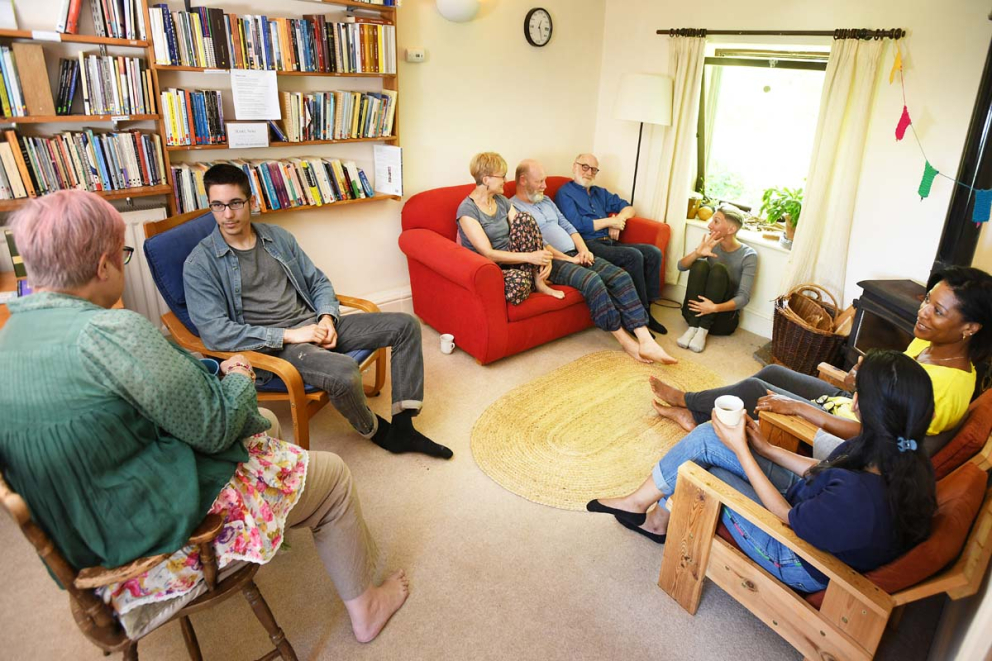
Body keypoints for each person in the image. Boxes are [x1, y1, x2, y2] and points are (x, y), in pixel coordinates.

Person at [0, 190, 408, 643]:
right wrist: (237, 373)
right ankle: (366, 607)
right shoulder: (113, 331)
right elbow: (215, 428)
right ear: (102, 265)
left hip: (82, 535)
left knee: (266, 427)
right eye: (122, 255)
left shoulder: (10, 337)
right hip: (149, 547)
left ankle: (278, 526)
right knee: (332, 475)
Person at [588, 350, 938, 594]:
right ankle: (645, 509)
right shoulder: (900, 448)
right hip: (812, 506)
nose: (853, 398)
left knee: (703, 469)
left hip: (796, 557)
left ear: (868, 405)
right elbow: (823, 470)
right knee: (710, 437)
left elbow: (787, 517)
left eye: (858, 392)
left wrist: (741, 449)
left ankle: (652, 515)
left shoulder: (859, 500)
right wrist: (765, 449)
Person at [184, 164, 452, 460]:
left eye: (235, 203)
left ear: (252, 202)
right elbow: (215, 333)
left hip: (313, 323)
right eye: (217, 205)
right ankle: (378, 431)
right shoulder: (200, 263)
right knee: (344, 372)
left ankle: (404, 424)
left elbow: (318, 281)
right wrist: (292, 335)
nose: (227, 214)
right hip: (276, 348)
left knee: (405, 325)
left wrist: (326, 317)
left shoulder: (277, 238)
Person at [650, 266, 992, 457]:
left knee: (757, 388)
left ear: (971, 327)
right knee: (772, 372)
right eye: (927, 300)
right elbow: (886, 391)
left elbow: (875, 440)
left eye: (938, 310)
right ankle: (692, 412)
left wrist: (799, 409)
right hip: (849, 402)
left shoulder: (948, 387)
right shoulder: (929, 339)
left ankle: (685, 402)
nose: (923, 312)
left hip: (847, 429)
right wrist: (858, 379)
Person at [510, 159, 676, 364]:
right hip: (552, 260)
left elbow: (568, 226)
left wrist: (583, 250)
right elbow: (539, 243)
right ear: (524, 180)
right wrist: (569, 258)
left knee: (620, 276)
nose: (545, 186)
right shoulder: (513, 208)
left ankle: (644, 339)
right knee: (593, 281)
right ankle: (627, 343)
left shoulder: (545, 200)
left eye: (545, 180)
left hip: (575, 252)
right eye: (540, 181)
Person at [555, 153, 668, 335]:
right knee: (633, 256)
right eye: (585, 167)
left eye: (593, 169)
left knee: (653, 252)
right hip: (587, 244)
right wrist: (609, 222)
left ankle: (648, 310)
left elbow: (629, 207)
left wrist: (620, 219)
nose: (589, 172)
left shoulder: (600, 192)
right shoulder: (565, 193)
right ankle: (637, 317)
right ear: (574, 166)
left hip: (608, 242)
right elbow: (576, 223)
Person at [456, 151, 565, 305]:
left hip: (514, 259)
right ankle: (533, 279)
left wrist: (544, 256)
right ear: (486, 179)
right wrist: (531, 258)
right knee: (519, 284)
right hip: (491, 268)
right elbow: (488, 254)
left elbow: (527, 230)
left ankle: (538, 282)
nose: (506, 180)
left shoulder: (501, 201)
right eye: (502, 176)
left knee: (524, 217)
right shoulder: (467, 210)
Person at [674, 204, 757, 353]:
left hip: (720, 321)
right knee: (700, 264)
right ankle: (693, 328)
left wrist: (714, 308)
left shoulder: (748, 255)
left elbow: (744, 298)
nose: (709, 225)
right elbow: (681, 266)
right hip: (693, 313)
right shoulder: (711, 245)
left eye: (716, 221)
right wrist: (697, 254)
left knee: (718, 270)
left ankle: (702, 330)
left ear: (731, 229)